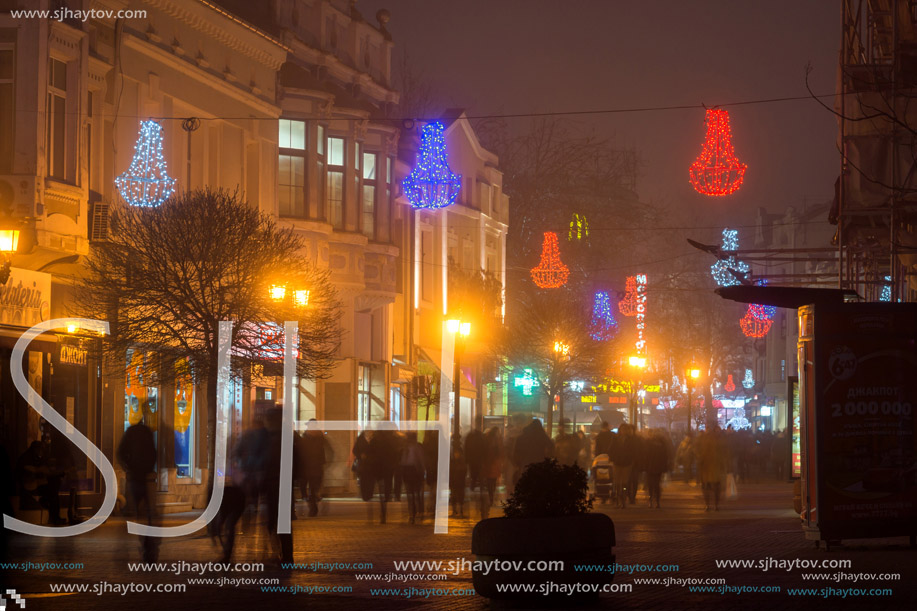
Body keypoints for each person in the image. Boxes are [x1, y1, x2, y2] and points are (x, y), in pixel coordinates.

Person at [117, 417, 159, 561]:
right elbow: (154, 453)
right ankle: (150, 545)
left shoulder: (130, 432)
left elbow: (120, 453)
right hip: (147, 477)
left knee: (140, 513)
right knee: (149, 513)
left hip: (136, 476)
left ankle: (146, 544)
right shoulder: (147, 432)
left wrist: (128, 467)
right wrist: (150, 468)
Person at [262, 407, 293, 563]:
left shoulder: (277, 437)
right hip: (278, 485)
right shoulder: (282, 436)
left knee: (276, 522)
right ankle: (284, 555)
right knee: (277, 522)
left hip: (277, 485)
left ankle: (283, 555)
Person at [300, 419, 331, 517]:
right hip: (307, 467)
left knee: (313, 489)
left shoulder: (318, 437)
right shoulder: (305, 437)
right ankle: (312, 504)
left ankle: (313, 508)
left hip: (314, 467)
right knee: (307, 490)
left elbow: (329, 450)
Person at [696, 427, 730, 511]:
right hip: (716, 469)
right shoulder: (720, 443)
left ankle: (708, 505)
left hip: (706, 470)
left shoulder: (705, 443)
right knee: (716, 488)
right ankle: (716, 505)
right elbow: (724, 456)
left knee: (706, 488)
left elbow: (701, 457)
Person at [609, 423, 636, 508]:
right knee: (617, 483)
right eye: (622, 429)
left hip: (626, 464)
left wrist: (631, 460)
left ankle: (623, 499)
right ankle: (618, 498)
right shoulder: (615, 439)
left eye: (625, 429)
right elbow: (611, 449)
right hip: (617, 463)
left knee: (624, 483)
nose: (623, 431)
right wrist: (613, 458)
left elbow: (633, 451)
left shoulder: (630, 440)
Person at [400, 432, 425, 524]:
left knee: (411, 494)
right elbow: (421, 460)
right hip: (413, 471)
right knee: (415, 493)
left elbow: (403, 461)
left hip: (410, 470)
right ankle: (416, 512)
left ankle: (413, 513)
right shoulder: (415, 447)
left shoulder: (408, 447)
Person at [644, 430, 670, 508]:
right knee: (656, 484)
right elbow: (665, 457)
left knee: (652, 484)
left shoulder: (649, 443)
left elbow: (646, 456)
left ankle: (652, 499)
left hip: (651, 466)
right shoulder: (662, 444)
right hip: (657, 467)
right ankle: (656, 500)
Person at [482, 427, 504, 509]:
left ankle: (491, 496)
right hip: (495, 463)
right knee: (493, 481)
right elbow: (501, 451)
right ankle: (491, 497)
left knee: (489, 481)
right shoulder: (498, 440)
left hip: (488, 463)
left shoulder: (487, 438)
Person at [449, 442, 467, 518]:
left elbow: (464, 472)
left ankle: (460, 510)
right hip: (454, 482)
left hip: (459, 482)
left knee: (460, 496)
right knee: (454, 496)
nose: (456, 454)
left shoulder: (461, 462)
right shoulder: (453, 462)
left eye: (457, 453)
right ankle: (454, 510)